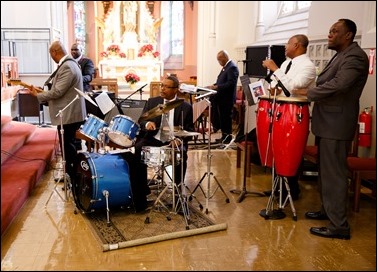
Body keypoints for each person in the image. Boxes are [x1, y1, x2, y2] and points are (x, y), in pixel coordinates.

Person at [292, 19, 369, 240]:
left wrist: (309, 93)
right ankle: (328, 211)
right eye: (329, 31)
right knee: (325, 173)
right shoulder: (341, 55)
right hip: (328, 124)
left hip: (337, 125)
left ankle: (339, 226)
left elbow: (340, 84)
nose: (329, 34)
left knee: (335, 175)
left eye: (335, 31)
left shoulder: (354, 57)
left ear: (348, 35)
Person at [262, 34, 317, 200]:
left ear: (297, 45)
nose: (285, 46)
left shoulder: (308, 66)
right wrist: (274, 85)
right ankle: (278, 187)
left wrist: (275, 69)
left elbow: (293, 87)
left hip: (294, 113)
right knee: (277, 147)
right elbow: (274, 82)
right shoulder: (286, 63)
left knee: (289, 149)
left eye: (288, 43)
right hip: (279, 108)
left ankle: (291, 190)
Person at [128, 75, 194, 211]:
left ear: (176, 90)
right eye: (162, 85)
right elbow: (141, 120)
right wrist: (147, 124)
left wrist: (179, 140)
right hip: (153, 138)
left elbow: (189, 130)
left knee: (182, 154)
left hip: (173, 141)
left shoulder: (186, 107)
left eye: (166, 87)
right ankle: (140, 195)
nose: (162, 89)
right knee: (136, 150)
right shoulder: (152, 102)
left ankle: (177, 194)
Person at [30, 41, 87, 183]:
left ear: (55, 52)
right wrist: (42, 92)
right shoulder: (69, 64)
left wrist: (38, 95)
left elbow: (58, 91)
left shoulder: (67, 66)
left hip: (69, 114)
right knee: (67, 146)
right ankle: (70, 175)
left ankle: (73, 177)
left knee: (68, 148)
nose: (52, 57)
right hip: (69, 113)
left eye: (51, 55)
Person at [207, 50, 239, 144]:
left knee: (226, 119)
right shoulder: (226, 67)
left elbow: (231, 84)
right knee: (222, 119)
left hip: (226, 99)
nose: (219, 62)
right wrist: (213, 85)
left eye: (219, 60)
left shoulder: (232, 67)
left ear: (224, 58)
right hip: (221, 98)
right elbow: (221, 81)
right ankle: (224, 137)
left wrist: (217, 87)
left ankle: (227, 139)